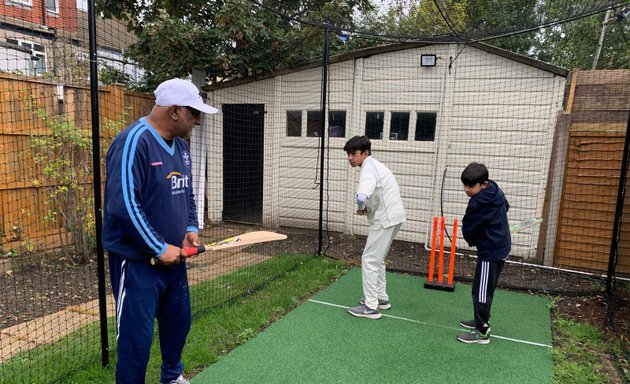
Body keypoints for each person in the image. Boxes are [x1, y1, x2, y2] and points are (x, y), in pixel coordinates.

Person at [103, 78, 218, 383]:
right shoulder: (133, 142)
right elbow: (123, 205)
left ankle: (171, 377)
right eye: (195, 114)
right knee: (136, 342)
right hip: (139, 263)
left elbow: (186, 191)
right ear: (176, 111)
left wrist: (190, 227)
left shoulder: (181, 146)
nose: (198, 120)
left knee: (178, 323)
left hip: (174, 261)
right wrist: (158, 247)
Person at [344, 135, 406, 319]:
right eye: (348, 154)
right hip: (395, 217)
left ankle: (371, 307)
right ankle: (381, 298)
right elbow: (376, 195)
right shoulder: (375, 166)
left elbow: (361, 197)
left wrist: (361, 208)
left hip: (385, 220)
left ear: (365, 153)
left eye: (353, 154)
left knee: (370, 260)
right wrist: (367, 207)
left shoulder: (368, 168)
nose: (349, 158)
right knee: (377, 259)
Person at [457, 162, 511, 344]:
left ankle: (482, 332)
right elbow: (506, 206)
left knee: (480, 291)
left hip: (491, 251)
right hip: (500, 245)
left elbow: (470, 227)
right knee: (484, 288)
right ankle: (480, 320)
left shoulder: (477, 203)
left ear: (483, 184)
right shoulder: (495, 190)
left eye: (471, 186)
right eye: (465, 185)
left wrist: (473, 239)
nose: (467, 190)